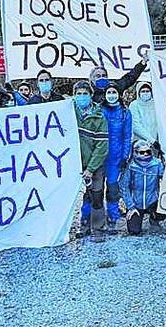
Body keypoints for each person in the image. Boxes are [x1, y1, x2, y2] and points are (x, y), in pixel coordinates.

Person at [73, 80, 109, 243]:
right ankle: (84, 225)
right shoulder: (68, 112)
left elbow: (102, 146)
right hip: (74, 164)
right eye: (78, 94)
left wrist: (91, 168)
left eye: (84, 94)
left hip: (94, 165)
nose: (81, 97)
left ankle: (98, 228)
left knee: (96, 195)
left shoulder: (99, 116)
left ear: (90, 95)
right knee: (79, 197)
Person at [101, 82, 133, 233]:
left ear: (119, 95)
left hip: (116, 156)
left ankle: (113, 217)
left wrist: (125, 156)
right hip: (99, 155)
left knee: (113, 187)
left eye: (114, 92)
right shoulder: (99, 110)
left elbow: (127, 136)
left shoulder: (125, 113)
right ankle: (91, 219)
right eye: (109, 92)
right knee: (95, 188)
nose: (111, 95)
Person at [120, 139, 166, 235]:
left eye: (148, 151)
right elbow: (124, 187)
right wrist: (131, 207)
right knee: (134, 231)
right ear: (135, 153)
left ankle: (154, 219)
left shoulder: (157, 164)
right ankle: (136, 215)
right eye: (142, 152)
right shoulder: (131, 167)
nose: (145, 154)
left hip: (152, 200)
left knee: (164, 208)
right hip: (136, 203)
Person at [129, 81, 159, 153]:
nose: (145, 93)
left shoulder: (156, 104)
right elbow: (135, 125)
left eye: (147, 91)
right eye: (143, 91)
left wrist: (156, 141)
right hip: (140, 142)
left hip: (155, 143)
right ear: (138, 92)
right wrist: (151, 140)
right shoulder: (134, 105)